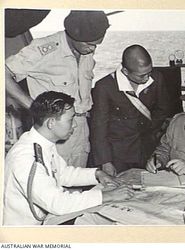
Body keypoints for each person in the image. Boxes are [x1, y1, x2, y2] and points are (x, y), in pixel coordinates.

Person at [3, 91, 134, 225]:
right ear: (51, 123)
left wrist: (97, 174)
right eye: (70, 120)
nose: (75, 125)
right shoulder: (26, 158)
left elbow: (63, 174)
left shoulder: (42, 143)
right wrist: (107, 196)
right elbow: (57, 203)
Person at [5, 10, 110, 168]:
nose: (92, 50)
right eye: (89, 44)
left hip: (80, 129)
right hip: (53, 129)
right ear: (73, 36)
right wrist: (34, 107)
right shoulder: (44, 50)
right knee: (51, 186)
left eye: (96, 44)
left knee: (76, 183)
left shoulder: (85, 51)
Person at [90, 44, 170, 175]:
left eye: (149, 72)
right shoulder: (104, 87)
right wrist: (105, 162)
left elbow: (162, 110)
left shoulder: (156, 78)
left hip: (148, 150)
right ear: (125, 71)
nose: (147, 78)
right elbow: (99, 128)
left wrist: (150, 130)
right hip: (118, 155)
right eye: (141, 76)